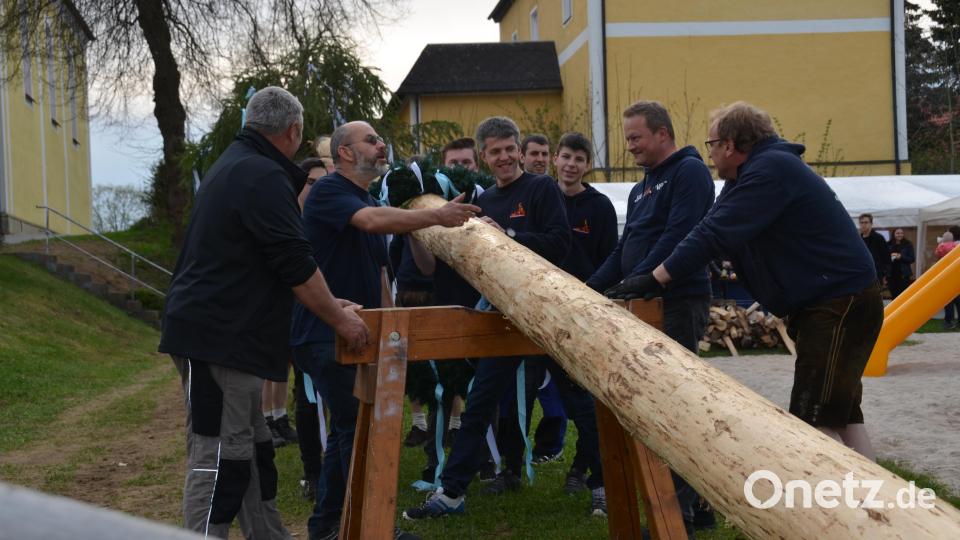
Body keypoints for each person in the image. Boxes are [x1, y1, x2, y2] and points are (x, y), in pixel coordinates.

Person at [616, 101, 882, 462]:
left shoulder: (768, 171)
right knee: (843, 411)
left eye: (711, 145)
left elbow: (713, 234)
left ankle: (834, 508)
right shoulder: (749, 176)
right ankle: (884, 504)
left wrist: (655, 278)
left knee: (812, 420)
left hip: (838, 302)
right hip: (835, 299)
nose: (709, 154)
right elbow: (708, 231)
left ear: (729, 144)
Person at [158, 86, 369, 540]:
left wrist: (334, 304)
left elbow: (261, 263)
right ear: (293, 131)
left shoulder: (240, 165)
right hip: (219, 340)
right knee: (220, 453)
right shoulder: (262, 175)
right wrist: (342, 320)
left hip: (228, 336)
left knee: (252, 449)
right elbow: (294, 261)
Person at [290, 120, 479, 540]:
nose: (381, 146)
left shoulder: (364, 197)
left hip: (365, 334)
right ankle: (348, 528)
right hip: (326, 332)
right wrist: (436, 215)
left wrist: (395, 334)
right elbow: (373, 222)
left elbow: (380, 276)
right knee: (355, 428)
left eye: (380, 139)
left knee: (358, 430)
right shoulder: (329, 192)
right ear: (344, 152)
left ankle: (345, 526)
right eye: (370, 140)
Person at [403, 116, 578, 520]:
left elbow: (560, 244)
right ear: (485, 156)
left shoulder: (540, 188)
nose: (503, 158)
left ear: (520, 150)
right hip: (503, 319)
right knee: (480, 403)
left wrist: (509, 238)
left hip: (550, 315)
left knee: (580, 402)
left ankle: (599, 481)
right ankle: (452, 492)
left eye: (508, 149)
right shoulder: (485, 200)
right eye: (494, 152)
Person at [587, 100, 717, 534]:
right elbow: (627, 246)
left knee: (675, 404)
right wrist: (592, 286)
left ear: (663, 133)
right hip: (644, 300)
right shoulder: (643, 184)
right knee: (658, 402)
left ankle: (680, 513)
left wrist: (646, 279)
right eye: (628, 140)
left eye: (636, 138)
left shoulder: (690, 173)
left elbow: (682, 235)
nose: (631, 147)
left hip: (677, 300)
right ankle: (696, 505)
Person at [547, 131, 618, 495]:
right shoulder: (543, 198)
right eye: (566, 157)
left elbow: (610, 259)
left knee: (586, 402)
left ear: (587, 165)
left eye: (579, 159)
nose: (571, 165)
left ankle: (589, 471)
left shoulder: (600, 207)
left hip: (584, 315)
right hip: (541, 310)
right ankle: (507, 469)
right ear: (555, 159)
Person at [292, 156, 335, 500]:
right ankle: (312, 472)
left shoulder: (333, 221)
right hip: (300, 324)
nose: (318, 189)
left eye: (324, 182)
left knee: (340, 398)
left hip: (337, 316)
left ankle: (337, 469)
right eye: (310, 183)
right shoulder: (287, 225)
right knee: (307, 398)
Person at [935, 231, 959, 329]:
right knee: (958, 301)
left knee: (948, 302)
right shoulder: (956, 246)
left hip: (945, 276)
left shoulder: (941, 247)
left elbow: (937, 254)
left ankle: (948, 321)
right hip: (956, 277)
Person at [859, 213, 891, 286]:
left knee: (876, 295)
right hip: (862, 273)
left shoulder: (879, 238)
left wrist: (886, 274)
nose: (863, 225)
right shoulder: (858, 239)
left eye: (866, 222)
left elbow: (886, 257)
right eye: (861, 222)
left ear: (871, 224)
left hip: (877, 273)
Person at [887, 228, 915, 299]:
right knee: (894, 295)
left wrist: (901, 257)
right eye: (897, 233)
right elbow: (884, 258)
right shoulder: (888, 244)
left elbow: (912, 259)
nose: (900, 235)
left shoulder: (908, 244)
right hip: (891, 274)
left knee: (903, 295)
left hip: (904, 275)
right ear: (894, 234)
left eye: (901, 233)